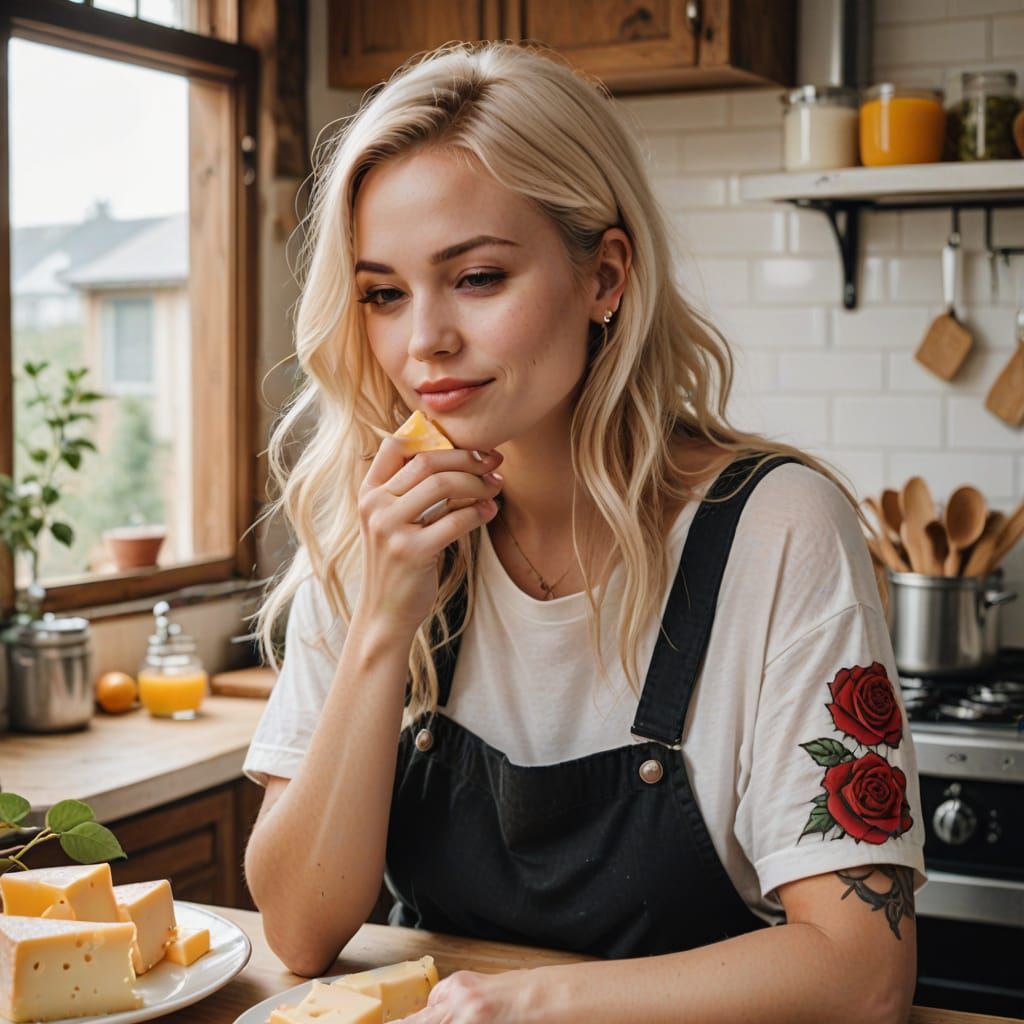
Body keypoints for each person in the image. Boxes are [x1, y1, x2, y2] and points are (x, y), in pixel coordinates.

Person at [243, 40, 925, 1024]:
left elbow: (863, 975)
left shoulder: (778, 528)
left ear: (605, 276)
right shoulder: (375, 523)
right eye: (384, 293)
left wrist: (525, 1004)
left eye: (477, 277)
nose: (424, 340)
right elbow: (299, 930)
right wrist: (382, 626)